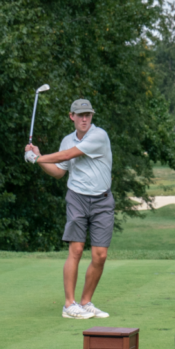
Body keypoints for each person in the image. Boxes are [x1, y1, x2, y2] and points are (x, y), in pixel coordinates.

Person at [25, 99, 114, 319]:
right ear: (71, 116)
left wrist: (37, 157)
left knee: (100, 255)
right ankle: (69, 305)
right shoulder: (67, 140)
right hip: (77, 199)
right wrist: (38, 160)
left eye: (88, 115)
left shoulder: (99, 136)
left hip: (102, 201)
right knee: (75, 250)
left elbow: (67, 155)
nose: (85, 119)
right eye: (80, 115)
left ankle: (85, 302)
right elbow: (58, 171)